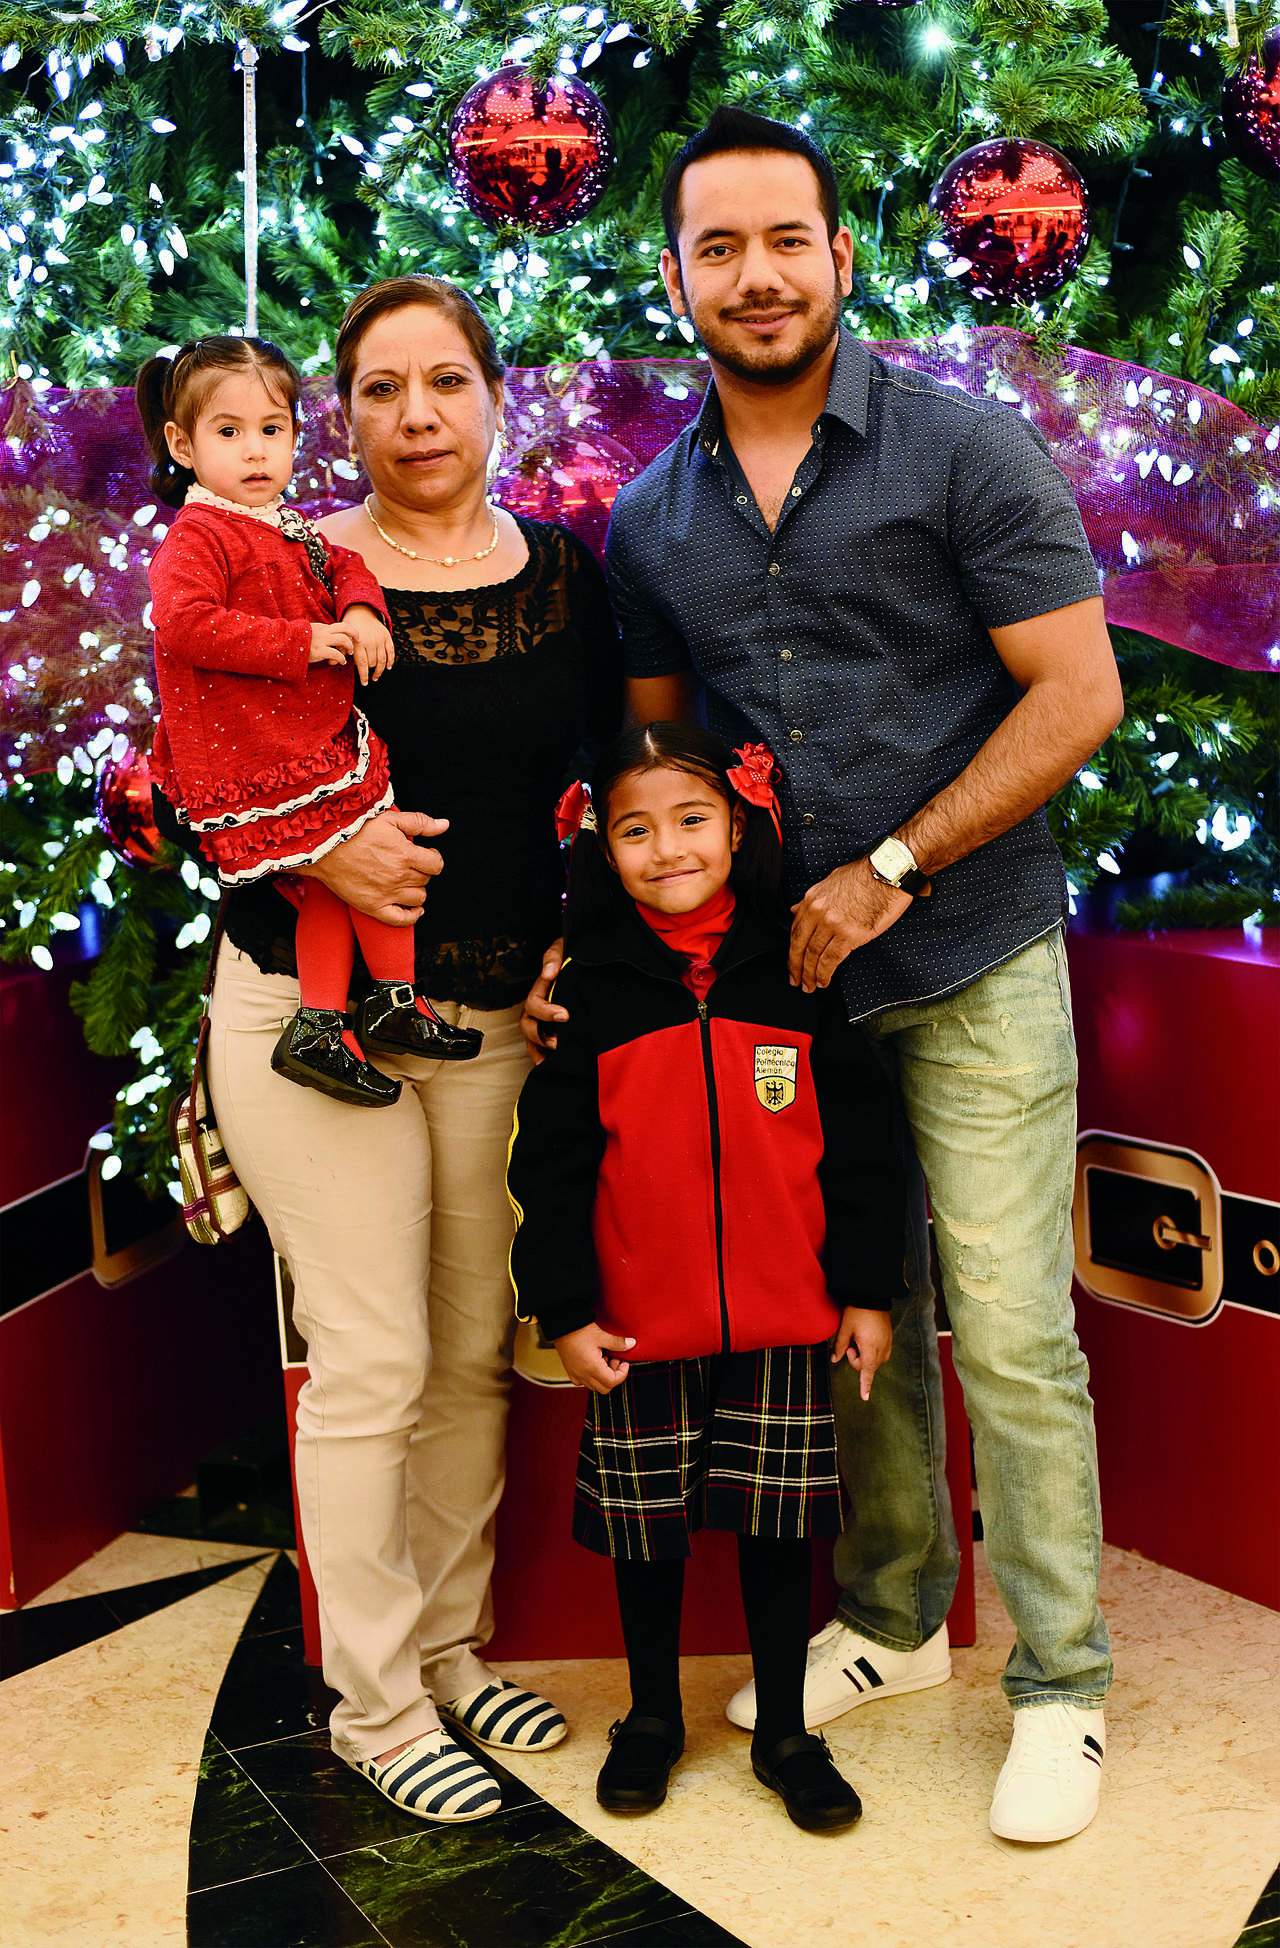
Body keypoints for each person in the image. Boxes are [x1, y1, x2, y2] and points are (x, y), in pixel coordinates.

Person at [523, 107, 1125, 1845]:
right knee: (850, 1312)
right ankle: (893, 1612)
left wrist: (890, 868)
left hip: (969, 948)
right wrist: (594, 940)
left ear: (841, 255)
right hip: (787, 997)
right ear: (676, 278)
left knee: (1007, 1326)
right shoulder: (653, 520)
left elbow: (1078, 693)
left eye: (786, 238)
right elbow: (652, 776)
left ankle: (1064, 1686)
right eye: (719, 247)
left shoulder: (963, 450)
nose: (758, 274)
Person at [186, 275, 621, 1821]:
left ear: (497, 396)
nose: (417, 415)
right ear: (343, 415)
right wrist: (318, 853)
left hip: (488, 1017)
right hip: (311, 1018)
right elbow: (171, 782)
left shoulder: (567, 573)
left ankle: (446, 1651)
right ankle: (374, 1707)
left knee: (468, 1346)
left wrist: (580, 932)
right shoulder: (281, 570)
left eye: (446, 381)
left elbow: (618, 776)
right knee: (372, 1357)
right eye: (381, 388)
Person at [508, 722, 909, 1833]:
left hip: (786, 1313)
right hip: (637, 1322)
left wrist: (866, 1291)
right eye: (634, 829)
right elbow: (550, 1166)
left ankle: (785, 1729)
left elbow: (863, 1147)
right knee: (647, 1532)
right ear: (603, 848)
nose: (667, 848)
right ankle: (649, 1718)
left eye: (690, 820)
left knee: (779, 1528)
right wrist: (566, 1309)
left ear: (738, 827)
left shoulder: (797, 969)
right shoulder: (587, 989)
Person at [137, 333, 482, 1110]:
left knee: (348, 871)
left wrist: (360, 611)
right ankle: (339, 1016)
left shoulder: (284, 525)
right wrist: (302, 642)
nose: (256, 451)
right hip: (254, 749)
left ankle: (369, 1006)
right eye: (230, 432)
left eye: (273, 429)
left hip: (310, 740)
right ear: (183, 445)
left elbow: (345, 566)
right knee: (342, 864)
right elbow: (185, 624)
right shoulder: (199, 536)